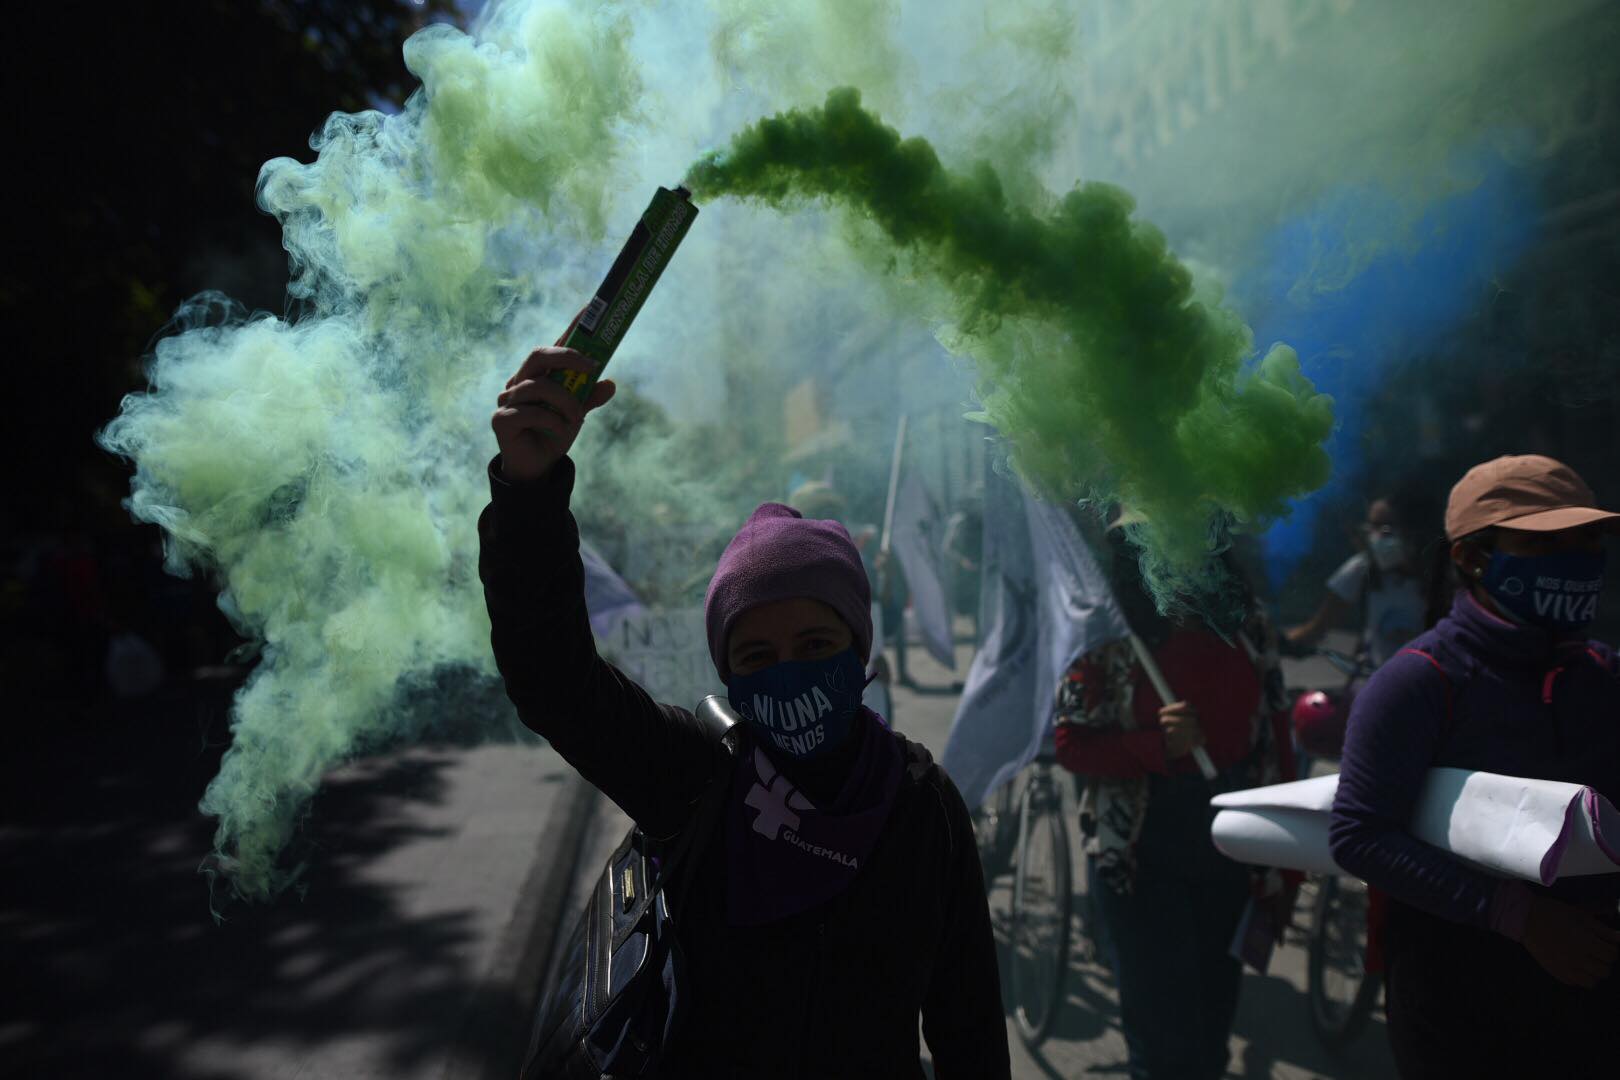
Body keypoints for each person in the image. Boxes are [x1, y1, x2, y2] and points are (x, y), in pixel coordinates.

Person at [480, 346, 1009, 1079]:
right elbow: (552, 680)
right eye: (758, 657)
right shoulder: (694, 776)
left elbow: (969, 1026)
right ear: (728, 675)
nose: (789, 671)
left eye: (816, 643)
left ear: (859, 652)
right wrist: (529, 490)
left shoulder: (923, 805)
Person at [1329, 454, 1620, 1079]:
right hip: (1458, 1005)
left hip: (1594, 1001)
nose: (1580, 554)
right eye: (1549, 540)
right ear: (1471, 557)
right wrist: (1523, 918)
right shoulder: (1418, 681)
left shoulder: (1604, 672)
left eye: (1590, 537)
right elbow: (1359, 835)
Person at [1054, 519, 1295, 1080]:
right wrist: (1152, 745)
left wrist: (1287, 868)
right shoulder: (1108, 633)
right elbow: (1071, 744)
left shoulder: (1248, 624)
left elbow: (1276, 733)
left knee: (1212, 1030)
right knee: (1165, 1045)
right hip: (1140, 852)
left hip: (1232, 840)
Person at [1286, 496, 1426, 667]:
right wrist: (1278, 643)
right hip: (1379, 681)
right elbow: (1319, 626)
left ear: (1412, 529)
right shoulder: (1362, 568)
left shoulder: (1442, 576)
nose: (1377, 536)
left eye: (1386, 527)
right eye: (1373, 526)